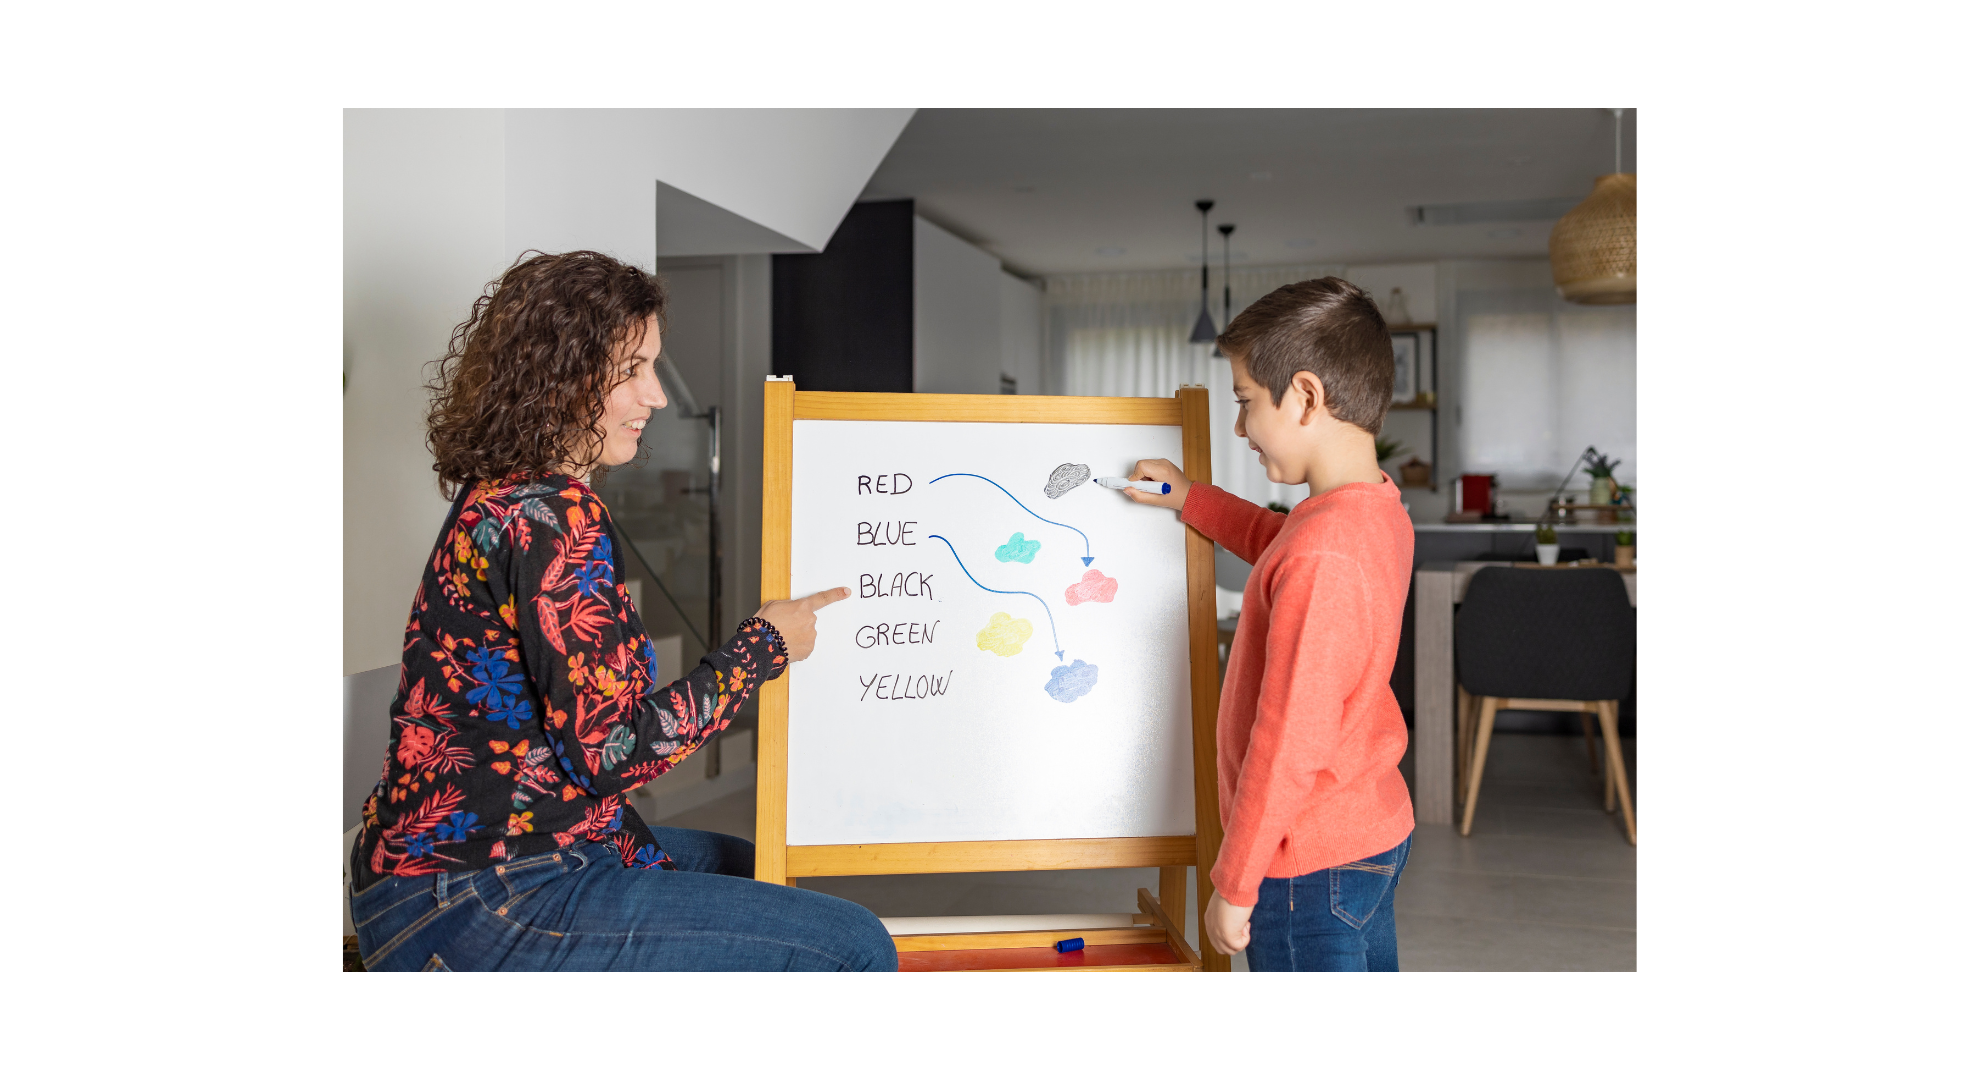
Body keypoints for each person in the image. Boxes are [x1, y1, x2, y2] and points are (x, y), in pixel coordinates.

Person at [347, 250, 895, 971]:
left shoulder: (507, 493)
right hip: (475, 893)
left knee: (749, 866)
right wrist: (763, 647)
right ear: (561, 375)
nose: (658, 396)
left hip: (457, 865)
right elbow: (612, 752)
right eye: (633, 369)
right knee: (856, 946)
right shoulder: (552, 516)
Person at [1117, 277, 1415, 971]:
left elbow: (1288, 741)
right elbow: (1277, 542)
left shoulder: (1322, 554)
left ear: (1306, 396)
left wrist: (1235, 881)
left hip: (1304, 864)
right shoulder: (1371, 509)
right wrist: (1191, 497)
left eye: (1245, 402)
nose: (1238, 428)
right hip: (1365, 831)